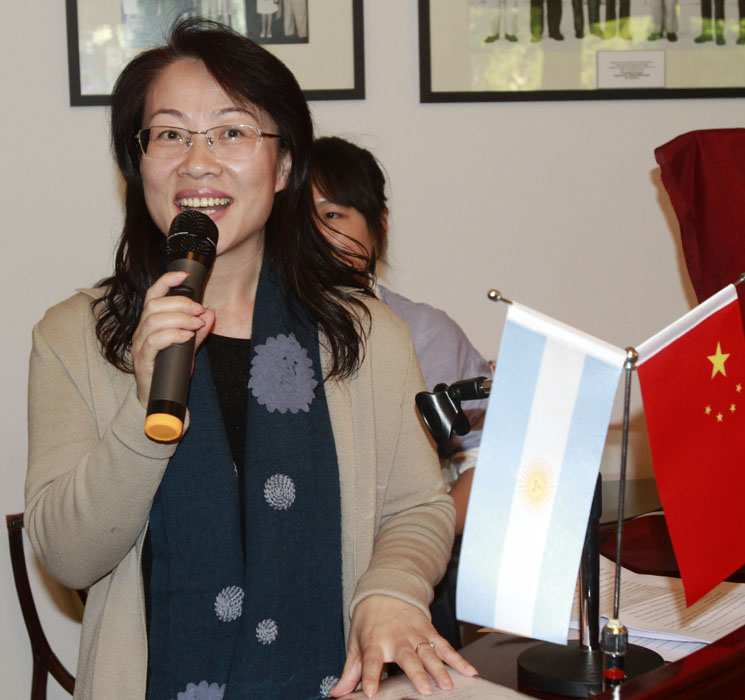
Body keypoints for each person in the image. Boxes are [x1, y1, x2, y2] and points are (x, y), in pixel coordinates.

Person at [24, 18, 476, 700]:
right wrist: (143, 409)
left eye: (231, 132)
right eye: (170, 134)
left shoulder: (365, 331)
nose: (197, 162)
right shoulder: (73, 337)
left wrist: (391, 590)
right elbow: (67, 554)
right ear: (137, 160)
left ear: (285, 164)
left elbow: (417, 507)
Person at [309, 136, 493, 649]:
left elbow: (486, 465)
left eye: (334, 214)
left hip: (412, 588)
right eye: (296, 219)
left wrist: (410, 539)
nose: (315, 234)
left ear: (379, 224)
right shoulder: (247, 336)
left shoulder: (425, 332)